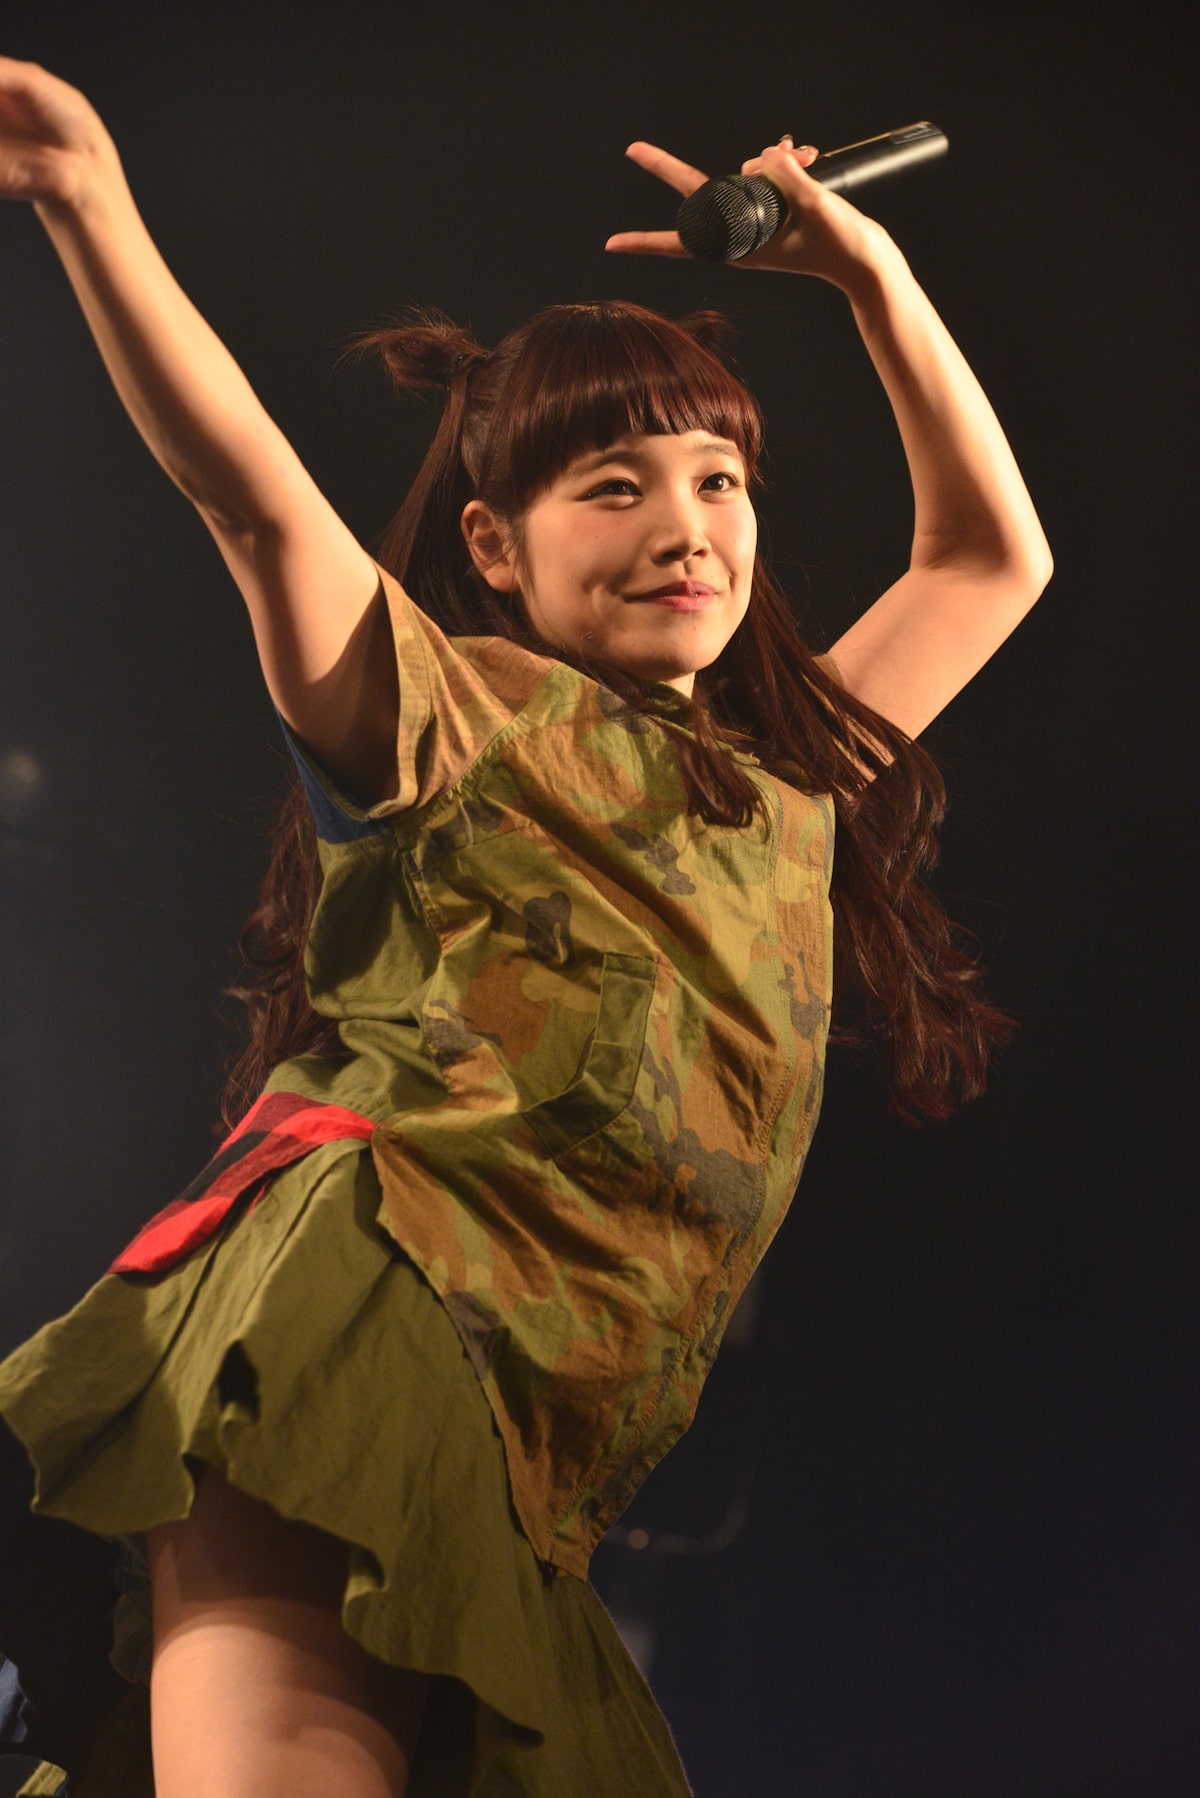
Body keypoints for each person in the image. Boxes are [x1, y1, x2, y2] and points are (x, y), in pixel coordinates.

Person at [0, 52, 1051, 1798]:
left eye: (720, 479)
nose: (687, 528)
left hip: (530, 1475)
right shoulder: (454, 715)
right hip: (355, 1345)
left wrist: (872, 275)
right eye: (615, 486)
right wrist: (85, 200)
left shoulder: (782, 793)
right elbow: (253, 498)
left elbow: (989, 561)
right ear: (495, 545)